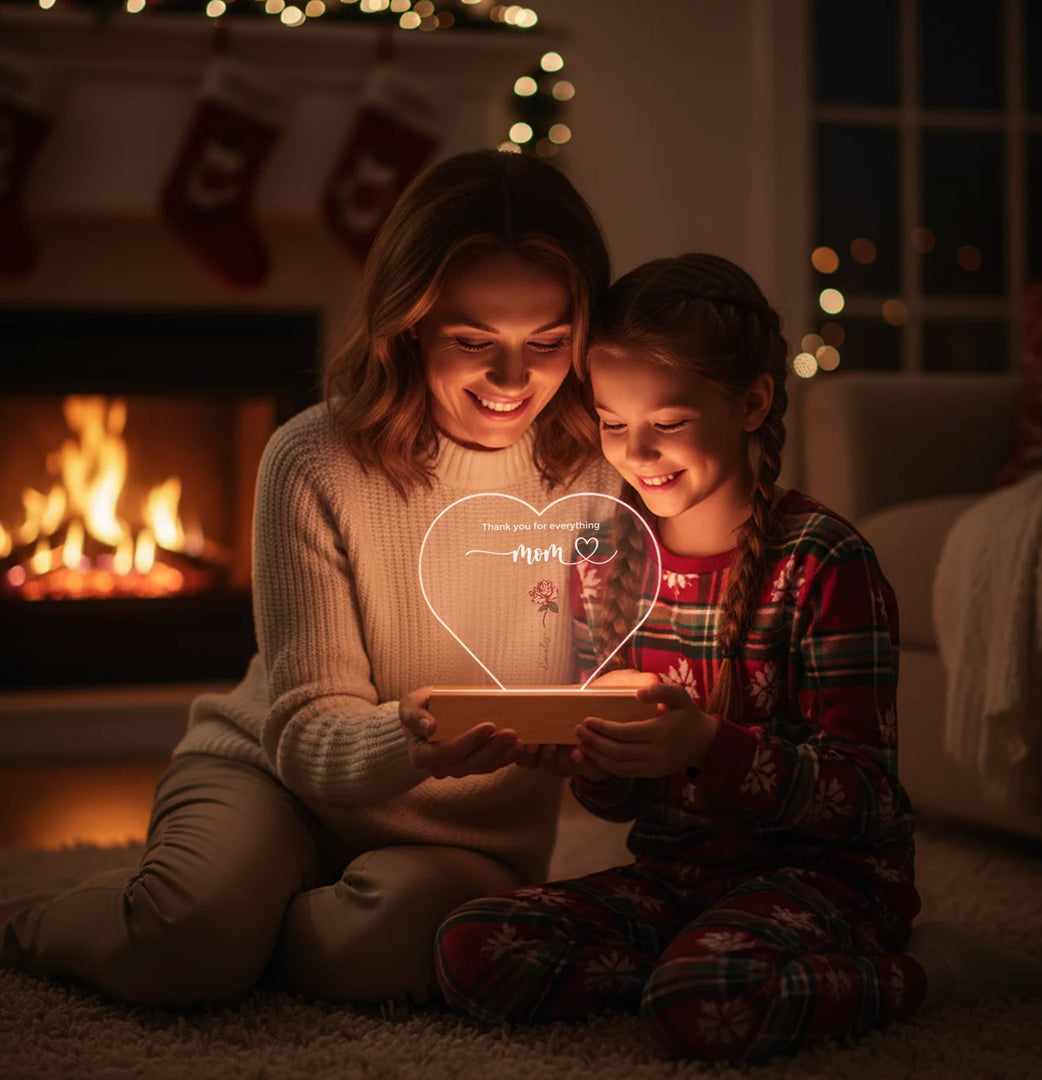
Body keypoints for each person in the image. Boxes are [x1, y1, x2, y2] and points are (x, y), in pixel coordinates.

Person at [0, 148, 618, 1008]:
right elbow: (307, 732)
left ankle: (239, 932)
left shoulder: (604, 473)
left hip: (465, 839)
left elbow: (606, 672)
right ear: (408, 323)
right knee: (182, 946)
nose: (515, 381)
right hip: (277, 778)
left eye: (548, 343)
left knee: (396, 952)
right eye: (473, 342)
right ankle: (47, 922)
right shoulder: (314, 458)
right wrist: (409, 739)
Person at [433, 253, 1042, 1062]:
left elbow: (868, 801)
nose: (637, 452)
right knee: (471, 946)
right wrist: (586, 755)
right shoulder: (603, 553)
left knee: (704, 1006)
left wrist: (706, 744)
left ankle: (924, 968)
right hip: (676, 879)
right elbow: (619, 808)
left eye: (667, 423)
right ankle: (702, 963)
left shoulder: (823, 561)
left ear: (753, 402)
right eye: (612, 421)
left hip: (825, 881)